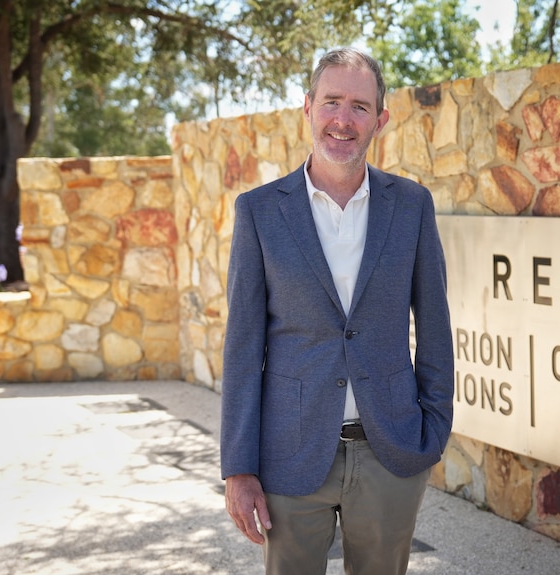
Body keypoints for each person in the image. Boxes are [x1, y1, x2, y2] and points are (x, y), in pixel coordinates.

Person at [220, 47, 454, 575]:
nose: (343, 120)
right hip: (289, 456)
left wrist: (433, 430)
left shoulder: (412, 206)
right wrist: (238, 467)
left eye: (359, 106)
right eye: (331, 102)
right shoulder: (259, 211)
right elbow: (242, 348)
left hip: (390, 454)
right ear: (308, 108)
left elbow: (435, 327)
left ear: (380, 119)